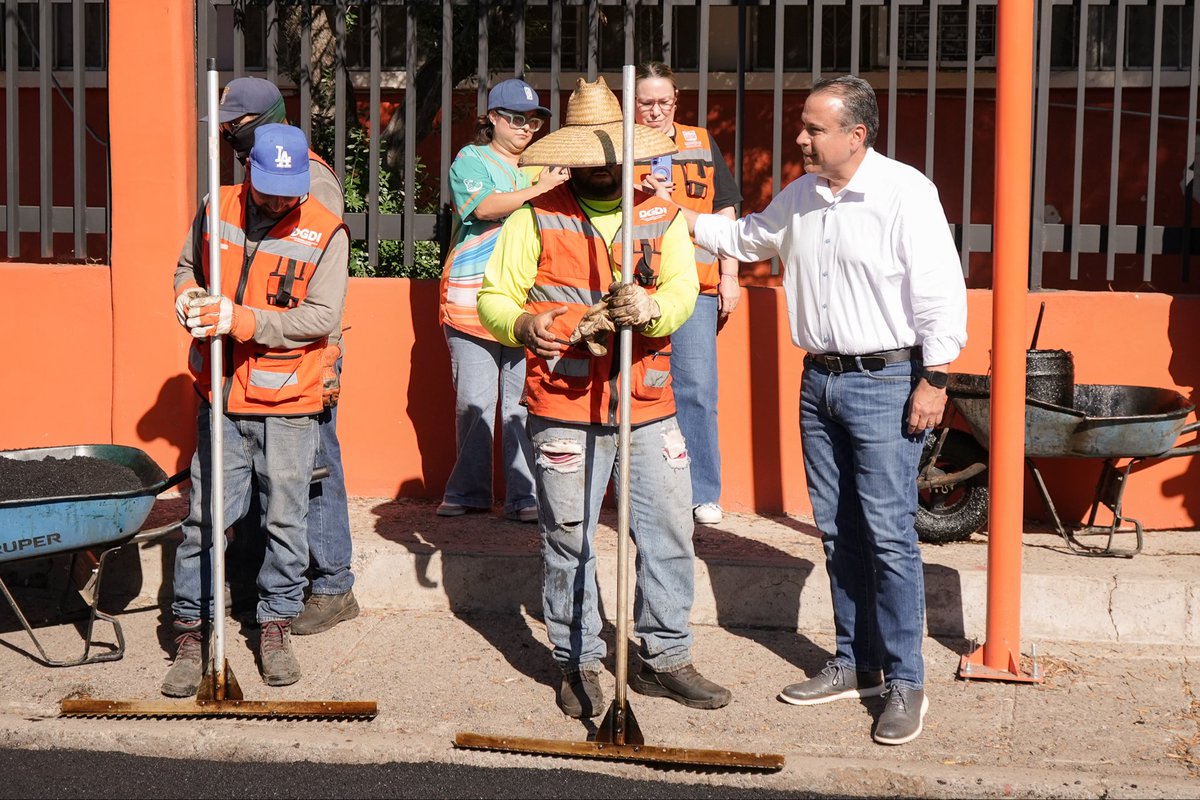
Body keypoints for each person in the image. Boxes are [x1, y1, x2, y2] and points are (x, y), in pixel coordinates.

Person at [684, 75, 967, 745]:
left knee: (889, 534)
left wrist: (936, 380)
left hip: (888, 381)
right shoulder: (802, 195)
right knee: (839, 531)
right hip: (820, 383)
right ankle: (854, 662)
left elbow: (939, 294)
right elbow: (750, 239)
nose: (801, 138)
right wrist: (671, 215)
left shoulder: (905, 193)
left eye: (813, 128)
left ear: (855, 135)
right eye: (804, 126)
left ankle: (904, 679)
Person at [477, 77, 732, 719]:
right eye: (587, 163)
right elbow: (495, 300)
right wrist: (528, 325)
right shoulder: (536, 215)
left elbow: (681, 293)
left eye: (610, 161)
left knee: (669, 531)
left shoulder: (662, 215)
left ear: (629, 156)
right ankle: (579, 660)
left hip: (647, 405)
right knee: (571, 539)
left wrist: (652, 307)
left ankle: (664, 656)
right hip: (562, 406)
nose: (601, 171)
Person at [165, 124, 350, 697]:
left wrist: (240, 321)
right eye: (268, 188)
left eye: (288, 189)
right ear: (248, 171)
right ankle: (192, 634)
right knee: (206, 518)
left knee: (285, 519)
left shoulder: (325, 230)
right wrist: (188, 299)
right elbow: (185, 269)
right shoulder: (214, 207)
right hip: (218, 395)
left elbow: (320, 317)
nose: (278, 200)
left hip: (290, 401)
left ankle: (275, 627)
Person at [209, 77, 358, 635]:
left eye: (236, 127)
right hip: (250, 345)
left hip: (299, 347)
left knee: (313, 467)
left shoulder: (309, 178)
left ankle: (332, 584)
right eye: (224, 128)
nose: (228, 136)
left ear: (266, 120)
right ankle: (256, 581)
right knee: (259, 469)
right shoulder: (254, 173)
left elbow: (308, 279)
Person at [437, 78, 568, 523]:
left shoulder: (543, 164)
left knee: (520, 404)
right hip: (470, 301)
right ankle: (469, 492)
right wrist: (540, 189)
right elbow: (483, 207)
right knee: (473, 402)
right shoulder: (470, 159)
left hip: (524, 303)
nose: (525, 128)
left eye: (532, 120)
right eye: (515, 118)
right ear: (491, 118)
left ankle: (523, 496)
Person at [632, 62, 742, 526]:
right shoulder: (617, 145)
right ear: (631, 104)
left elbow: (726, 209)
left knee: (696, 388)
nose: (655, 111)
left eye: (664, 102)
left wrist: (731, 275)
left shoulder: (700, 141)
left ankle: (703, 493)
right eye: (645, 102)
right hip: (635, 286)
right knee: (632, 387)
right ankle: (634, 491)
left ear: (676, 101)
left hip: (696, 284)